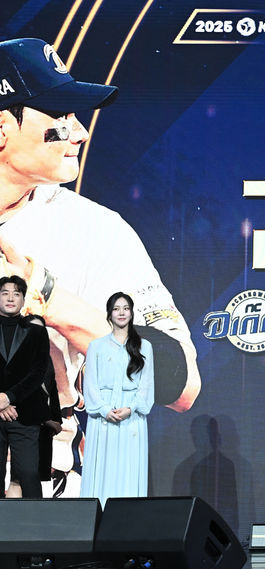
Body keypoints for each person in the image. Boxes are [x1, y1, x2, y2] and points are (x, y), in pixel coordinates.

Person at [0, 38, 201, 493]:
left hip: (33, 510)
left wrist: (48, 297)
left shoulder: (90, 230)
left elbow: (182, 382)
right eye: (60, 115)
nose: (80, 132)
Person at [80, 292, 154, 504]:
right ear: (109, 314)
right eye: (116, 309)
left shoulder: (144, 346)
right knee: (102, 468)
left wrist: (131, 408)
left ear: (131, 313)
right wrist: (104, 410)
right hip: (103, 417)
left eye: (126, 308)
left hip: (132, 418)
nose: (121, 313)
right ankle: (97, 516)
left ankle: (127, 518)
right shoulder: (96, 346)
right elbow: (90, 384)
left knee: (129, 468)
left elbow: (146, 385)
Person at [0, 275, 51, 498]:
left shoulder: (37, 332)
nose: (10, 298)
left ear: (23, 299)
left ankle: (35, 521)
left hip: (25, 415)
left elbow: (37, 373)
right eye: (5, 293)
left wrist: (9, 397)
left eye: (16, 294)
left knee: (29, 474)